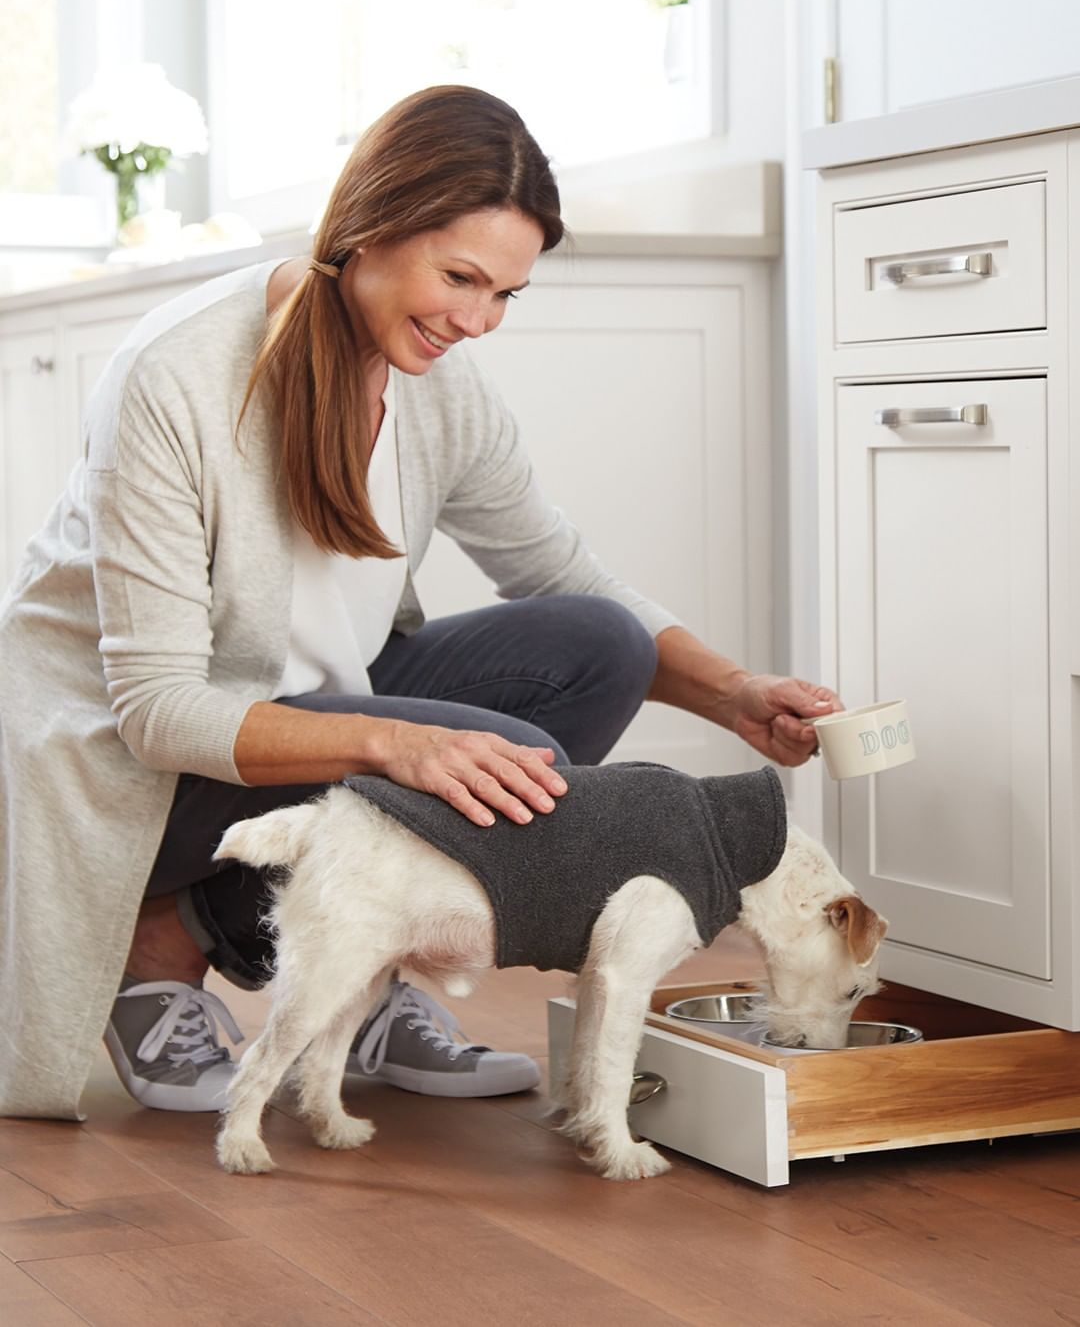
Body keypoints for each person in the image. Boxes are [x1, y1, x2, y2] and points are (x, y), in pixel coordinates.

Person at [0, 85, 841, 1121]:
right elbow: (157, 709)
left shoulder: (436, 382)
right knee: (491, 748)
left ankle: (367, 986)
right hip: (127, 756)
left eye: (504, 296)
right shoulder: (177, 378)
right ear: (370, 227)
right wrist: (399, 748)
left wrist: (732, 692)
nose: (477, 320)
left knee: (599, 645)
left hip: (308, 704)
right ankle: (154, 957)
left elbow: (559, 570)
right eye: (460, 278)